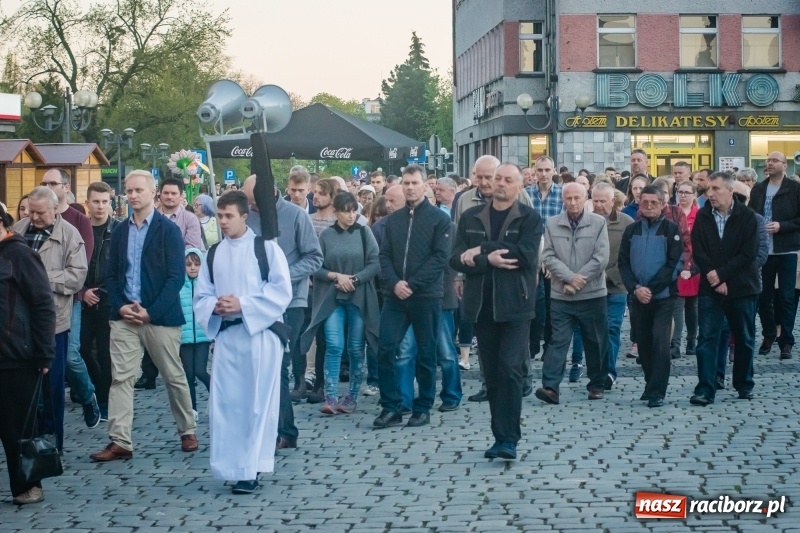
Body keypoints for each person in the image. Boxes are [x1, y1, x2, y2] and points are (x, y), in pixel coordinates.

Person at [89, 170, 197, 462]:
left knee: (173, 375)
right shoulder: (120, 230)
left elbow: (176, 278)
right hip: (124, 315)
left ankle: (187, 429)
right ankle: (120, 440)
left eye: (138, 190)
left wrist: (151, 311)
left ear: (153, 194)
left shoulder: (168, 230)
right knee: (121, 378)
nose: (133, 195)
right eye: (129, 190)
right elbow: (111, 275)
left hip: (159, 316)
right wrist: (122, 305)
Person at [194, 190, 292, 493]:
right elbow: (202, 293)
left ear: (243, 217)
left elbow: (281, 291)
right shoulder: (213, 253)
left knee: (256, 403)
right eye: (219, 216)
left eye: (228, 216)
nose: (223, 222)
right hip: (227, 335)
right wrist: (215, 307)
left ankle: (251, 468)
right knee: (226, 403)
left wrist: (244, 305)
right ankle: (231, 464)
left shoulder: (266, 249)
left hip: (260, 335)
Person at [451, 163, 542, 460]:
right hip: (481, 306)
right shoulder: (470, 217)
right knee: (491, 375)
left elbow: (525, 257)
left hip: (516, 305)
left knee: (510, 369)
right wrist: (488, 259)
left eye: (507, 180)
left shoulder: (529, 217)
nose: (500, 183)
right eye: (496, 178)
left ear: (519, 186)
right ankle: (499, 436)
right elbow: (455, 259)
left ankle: (510, 439)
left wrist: (481, 250)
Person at [242, 175, 323, 449]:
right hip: (255, 302)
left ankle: (285, 432)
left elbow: (314, 257)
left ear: (270, 194)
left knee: (278, 366)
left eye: (254, 203)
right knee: (259, 367)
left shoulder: (297, 216)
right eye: (248, 203)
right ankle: (275, 428)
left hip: (291, 302)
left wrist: (283, 275)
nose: (251, 208)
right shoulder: (247, 216)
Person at [373, 164, 452, 429]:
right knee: (385, 348)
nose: (409, 187)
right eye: (405, 183)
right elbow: (383, 255)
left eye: (414, 183)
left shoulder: (440, 219)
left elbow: (440, 258)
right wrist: (395, 283)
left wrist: (413, 285)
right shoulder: (392, 220)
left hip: (426, 295)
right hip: (394, 296)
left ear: (425, 186)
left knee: (426, 353)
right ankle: (391, 406)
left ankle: (423, 406)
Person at [13, 186, 87, 451]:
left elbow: (77, 277)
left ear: (55, 209)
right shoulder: (18, 229)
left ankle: (53, 443)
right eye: (30, 211)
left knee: (52, 387)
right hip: (18, 323)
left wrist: (41, 277)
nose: (34, 217)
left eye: (40, 213)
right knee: (22, 386)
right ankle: (27, 440)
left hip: (53, 321)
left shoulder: (70, 234)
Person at [302, 192, 380, 414]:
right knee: (334, 345)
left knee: (356, 347)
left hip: (358, 298)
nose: (351, 215)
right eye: (346, 210)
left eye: (354, 210)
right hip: (332, 298)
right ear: (336, 212)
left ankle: (352, 396)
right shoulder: (326, 236)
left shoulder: (365, 233)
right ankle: (331, 396)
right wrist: (336, 276)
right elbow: (316, 266)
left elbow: (375, 263)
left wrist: (355, 279)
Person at [0, 202, 56, 505]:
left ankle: (29, 485)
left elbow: (43, 305)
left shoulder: (20, 255)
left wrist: (44, 354)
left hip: (16, 355)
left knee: (18, 428)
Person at [536, 183, 609, 405]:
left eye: (577, 197)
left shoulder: (598, 222)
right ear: (562, 200)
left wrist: (578, 281)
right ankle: (550, 387)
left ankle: (596, 384)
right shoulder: (551, 224)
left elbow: (601, 258)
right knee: (557, 341)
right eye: (568, 198)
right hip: (561, 295)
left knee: (595, 341)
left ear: (585, 197)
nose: (573, 202)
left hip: (592, 294)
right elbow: (547, 256)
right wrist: (569, 277)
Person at [690, 172, 760, 405]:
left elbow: (748, 253)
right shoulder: (703, 216)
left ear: (731, 191)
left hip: (742, 286)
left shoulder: (748, 216)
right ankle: (705, 388)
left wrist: (722, 275)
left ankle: (743, 383)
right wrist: (715, 278)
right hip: (711, 288)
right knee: (707, 339)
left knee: (744, 338)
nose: (710, 194)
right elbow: (699, 249)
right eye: (708, 189)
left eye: (716, 189)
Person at [40, 169, 99, 428]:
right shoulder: (32, 221)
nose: (48, 186)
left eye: (52, 183)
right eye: (44, 183)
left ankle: (88, 397)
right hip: (38, 302)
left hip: (70, 298)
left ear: (65, 187)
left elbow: (80, 266)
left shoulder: (78, 220)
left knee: (70, 356)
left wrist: (44, 277)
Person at [619, 186, 682, 407]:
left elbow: (674, 264)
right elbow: (623, 264)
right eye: (644, 202)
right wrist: (635, 288)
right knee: (643, 342)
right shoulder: (632, 230)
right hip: (638, 297)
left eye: (654, 202)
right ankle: (649, 382)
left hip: (663, 297)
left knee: (660, 342)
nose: (648, 206)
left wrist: (651, 288)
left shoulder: (670, 229)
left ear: (663, 204)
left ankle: (657, 391)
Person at [749, 151, 800, 359]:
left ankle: (786, 340)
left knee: (787, 297)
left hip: (787, 249)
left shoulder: (794, 189)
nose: (769, 163)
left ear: (784, 165)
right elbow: (750, 216)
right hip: (764, 251)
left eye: (774, 161)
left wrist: (782, 226)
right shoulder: (759, 189)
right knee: (763, 296)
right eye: (768, 160)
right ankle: (769, 334)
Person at [80, 181, 120, 422]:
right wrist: (83, 291)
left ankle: (105, 401)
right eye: (96, 201)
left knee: (106, 354)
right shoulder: (80, 230)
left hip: (107, 300)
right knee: (81, 350)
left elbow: (121, 267)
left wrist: (103, 291)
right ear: (88, 203)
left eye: (105, 201)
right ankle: (93, 391)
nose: (101, 206)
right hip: (81, 298)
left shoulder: (117, 230)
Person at [590, 182, 633, 388]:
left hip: (616, 286)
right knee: (594, 331)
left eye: (602, 201)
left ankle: (609, 372)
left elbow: (630, 256)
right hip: (589, 286)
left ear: (612, 201)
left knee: (612, 329)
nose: (598, 205)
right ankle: (596, 370)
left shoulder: (626, 223)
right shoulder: (585, 220)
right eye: (595, 200)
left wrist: (609, 276)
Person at [179, 248, 211, 418]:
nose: (192, 268)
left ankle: (216, 394)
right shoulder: (179, 286)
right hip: (184, 337)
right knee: (188, 375)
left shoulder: (205, 286)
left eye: (196, 264)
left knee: (200, 370)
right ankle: (192, 410)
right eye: (188, 264)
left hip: (203, 336)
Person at [675, 181, 701, 357]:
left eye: (686, 192)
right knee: (677, 305)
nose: (683, 195)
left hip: (696, 265)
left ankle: (692, 340)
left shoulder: (700, 215)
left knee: (693, 306)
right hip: (677, 264)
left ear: (694, 195)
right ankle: (675, 343)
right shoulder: (671, 213)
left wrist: (693, 265)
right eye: (680, 192)